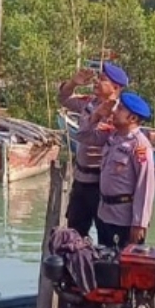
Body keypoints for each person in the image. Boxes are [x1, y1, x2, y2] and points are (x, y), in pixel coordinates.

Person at [57, 61, 129, 239]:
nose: (96, 82)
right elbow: (63, 99)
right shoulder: (88, 103)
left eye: (102, 80)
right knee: (75, 232)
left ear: (115, 87)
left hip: (102, 184)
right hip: (81, 179)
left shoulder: (120, 114)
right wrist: (73, 82)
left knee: (105, 235)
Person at [96, 91, 155, 250]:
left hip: (124, 220)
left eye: (120, 109)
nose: (114, 111)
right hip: (104, 214)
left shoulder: (140, 146)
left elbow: (145, 186)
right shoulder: (113, 138)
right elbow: (85, 136)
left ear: (133, 119)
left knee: (123, 268)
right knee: (103, 264)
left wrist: (139, 223)